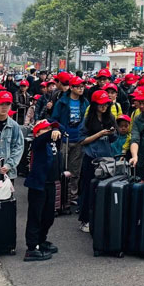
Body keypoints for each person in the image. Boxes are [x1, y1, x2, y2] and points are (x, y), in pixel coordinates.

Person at [77, 90, 119, 233]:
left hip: (106, 158)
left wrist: (112, 133)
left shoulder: (110, 117)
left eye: (106, 104)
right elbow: (82, 140)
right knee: (88, 189)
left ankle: (101, 217)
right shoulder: (88, 119)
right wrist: (100, 134)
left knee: (104, 188)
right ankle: (85, 219)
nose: (104, 107)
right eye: (101, 105)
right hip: (91, 158)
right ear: (94, 105)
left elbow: (115, 138)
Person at [23, 120, 62, 261]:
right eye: (45, 129)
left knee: (49, 216)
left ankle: (41, 240)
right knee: (35, 216)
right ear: (38, 133)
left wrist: (55, 128)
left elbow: (60, 129)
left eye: (50, 128)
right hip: (37, 184)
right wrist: (50, 132)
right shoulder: (37, 143)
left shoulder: (52, 143)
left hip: (51, 183)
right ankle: (32, 247)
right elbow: (40, 139)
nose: (50, 131)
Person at [50, 76, 89, 205]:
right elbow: (54, 119)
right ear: (71, 87)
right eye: (78, 86)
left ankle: (72, 196)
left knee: (76, 169)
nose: (81, 89)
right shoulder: (62, 102)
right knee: (62, 168)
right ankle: (60, 196)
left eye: (82, 86)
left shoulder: (85, 102)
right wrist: (60, 129)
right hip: (64, 138)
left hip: (79, 139)